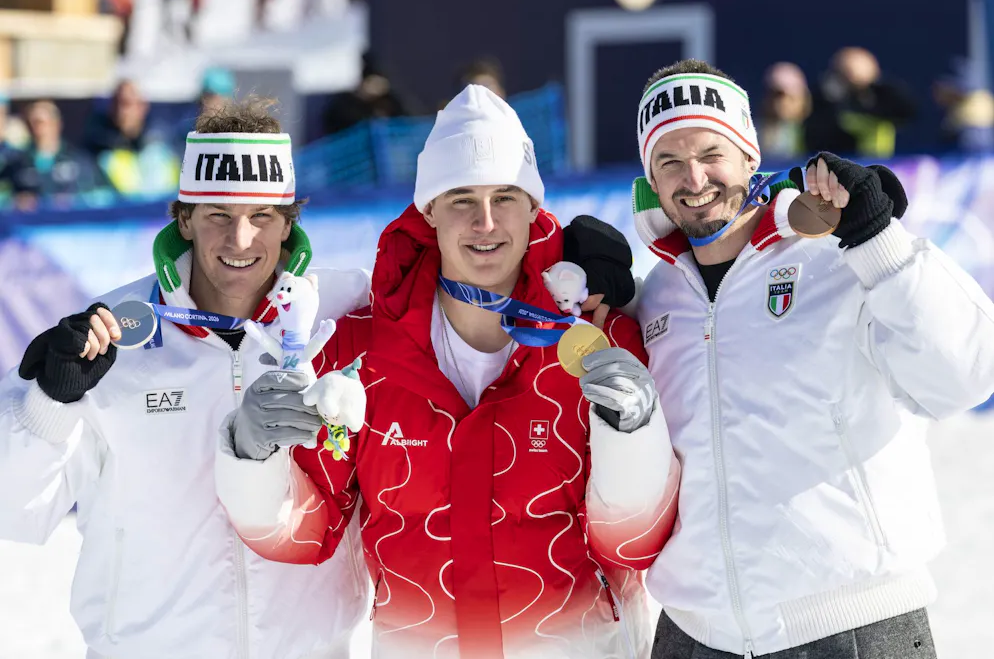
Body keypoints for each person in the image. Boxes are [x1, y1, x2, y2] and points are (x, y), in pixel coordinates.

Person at [216, 84, 681, 658]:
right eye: (461, 198)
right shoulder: (360, 354)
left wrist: (634, 436)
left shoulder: (596, 341)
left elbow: (633, 544)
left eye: (505, 196)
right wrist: (252, 456)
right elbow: (302, 535)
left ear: (533, 208)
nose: (485, 222)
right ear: (429, 210)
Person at [630, 58, 994, 659]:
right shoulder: (656, 298)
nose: (694, 177)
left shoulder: (838, 256)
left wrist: (880, 240)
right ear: (651, 176)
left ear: (750, 154)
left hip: (851, 627)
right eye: (669, 160)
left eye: (711, 153)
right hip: (694, 635)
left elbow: (966, 376)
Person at [0, 98, 371, 658]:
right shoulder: (112, 332)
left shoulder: (346, 313)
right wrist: (50, 402)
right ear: (184, 219)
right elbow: (15, 508)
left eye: (262, 216)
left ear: (288, 223)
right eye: (218, 214)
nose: (240, 239)